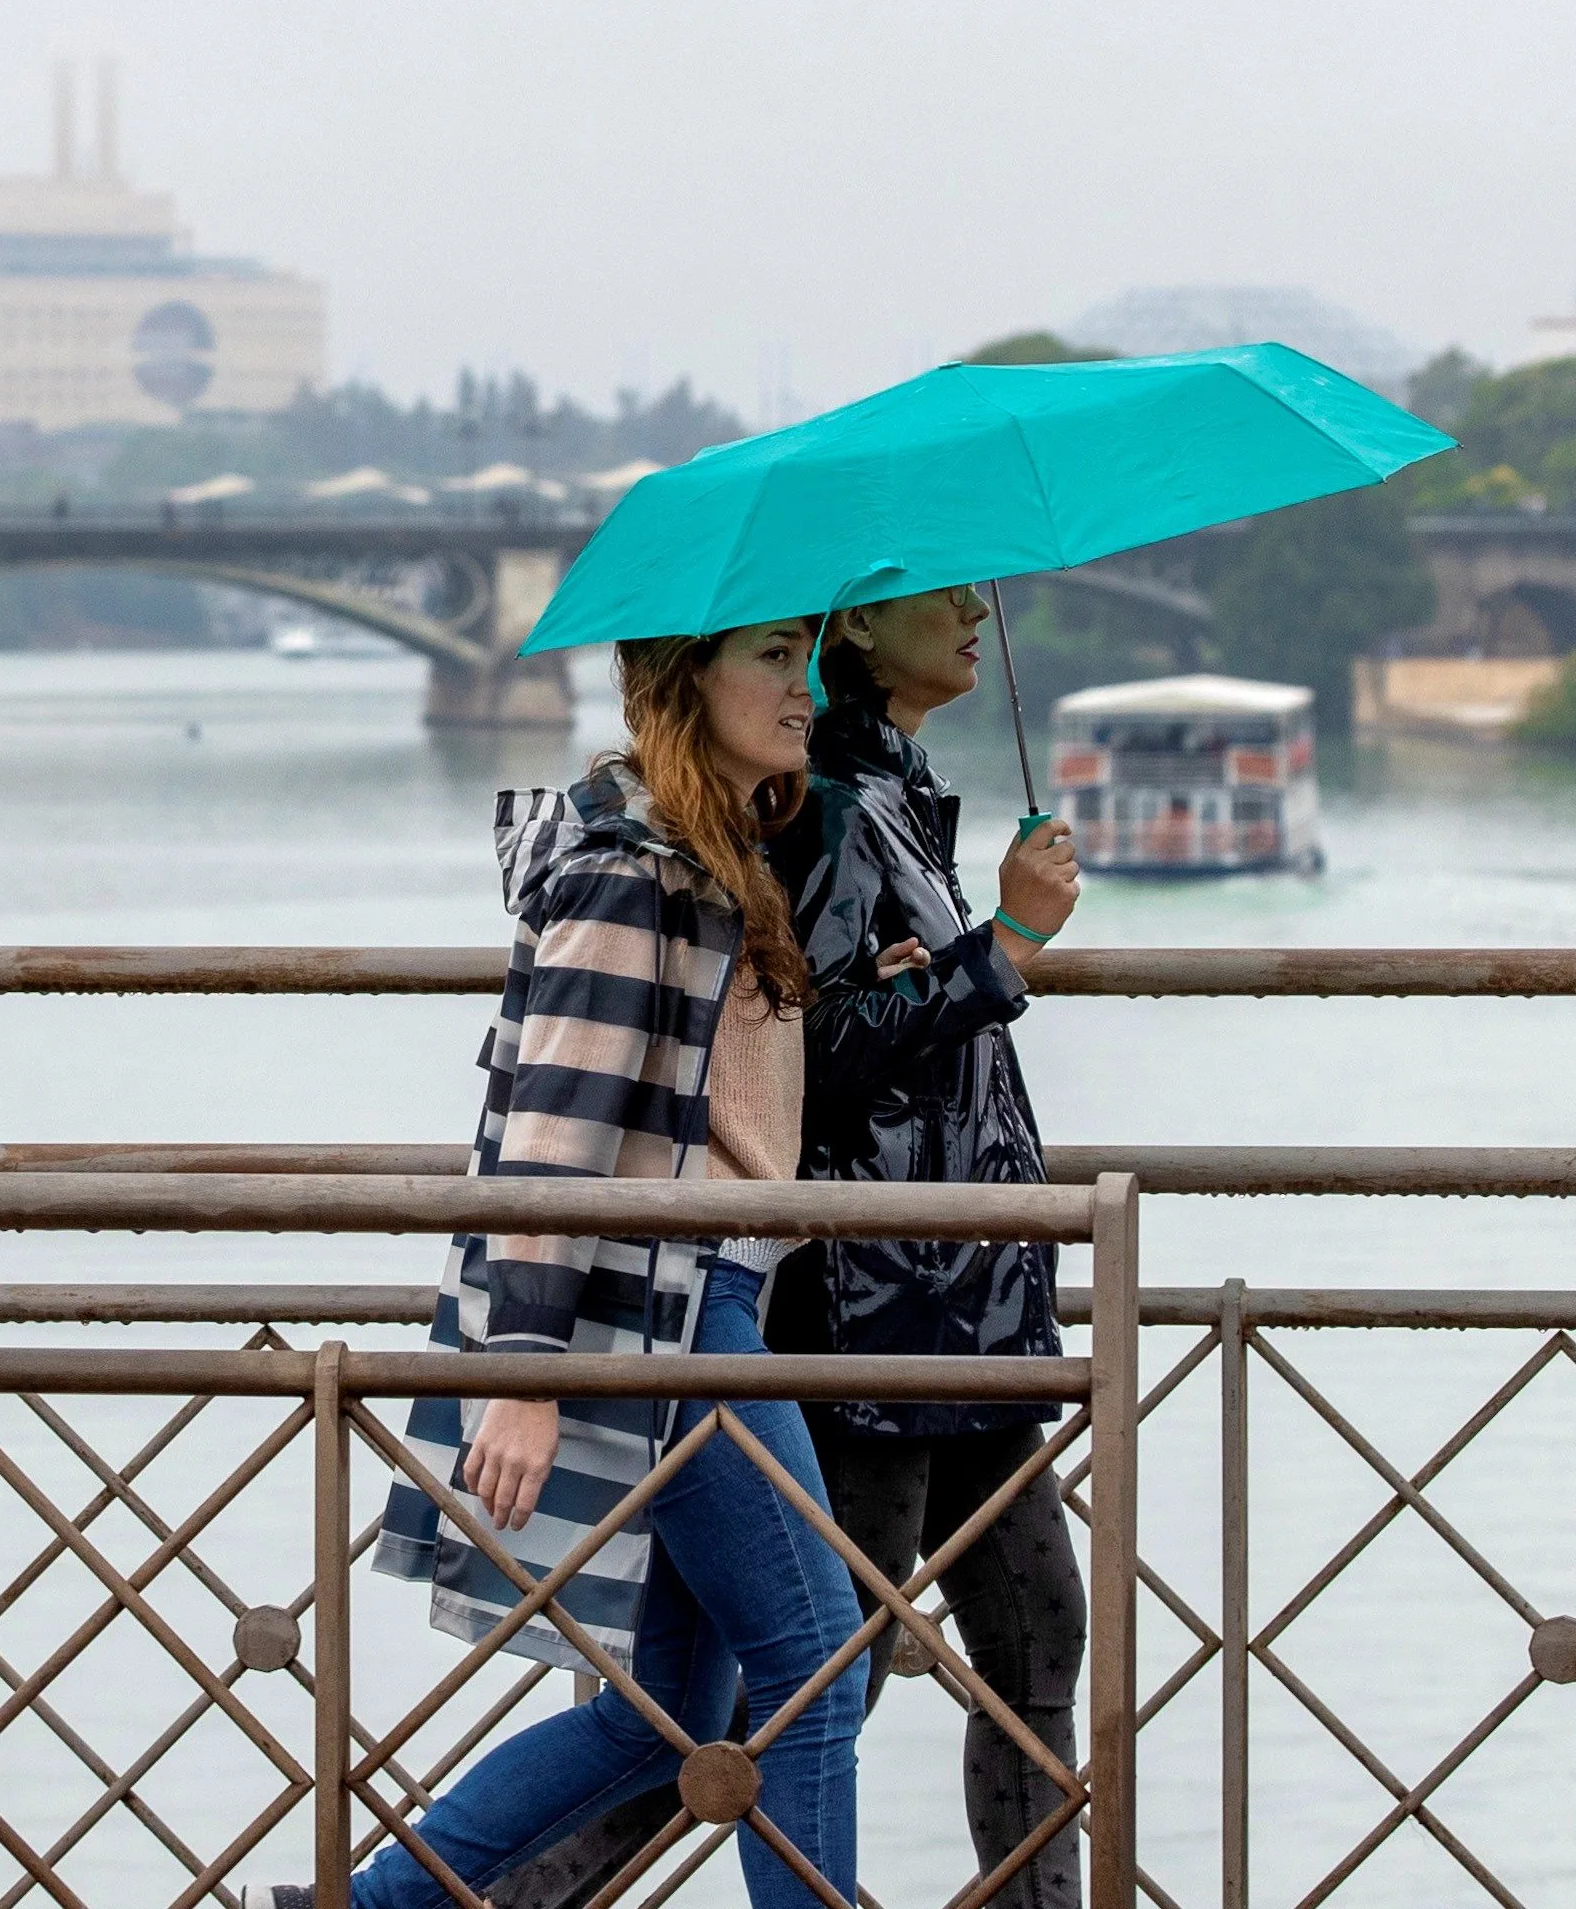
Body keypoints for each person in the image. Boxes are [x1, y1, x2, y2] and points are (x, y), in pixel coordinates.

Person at [251, 618, 867, 1909]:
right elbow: (550, 1131)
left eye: (804, 656)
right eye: (769, 656)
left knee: (658, 1717)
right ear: (680, 680)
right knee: (814, 1675)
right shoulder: (627, 870)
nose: (802, 686)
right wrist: (520, 1371)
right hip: (678, 1325)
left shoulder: (707, 860)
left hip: (704, 1300)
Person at [492, 582, 1087, 1908]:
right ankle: (475, 1896)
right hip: (864, 1297)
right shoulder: (805, 808)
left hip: (952, 1282)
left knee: (1017, 1641)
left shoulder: (876, 798)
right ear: (856, 631)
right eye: (947, 588)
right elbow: (790, 1054)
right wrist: (1006, 944)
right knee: (812, 1676)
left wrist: (976, 948)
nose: (980, 613)